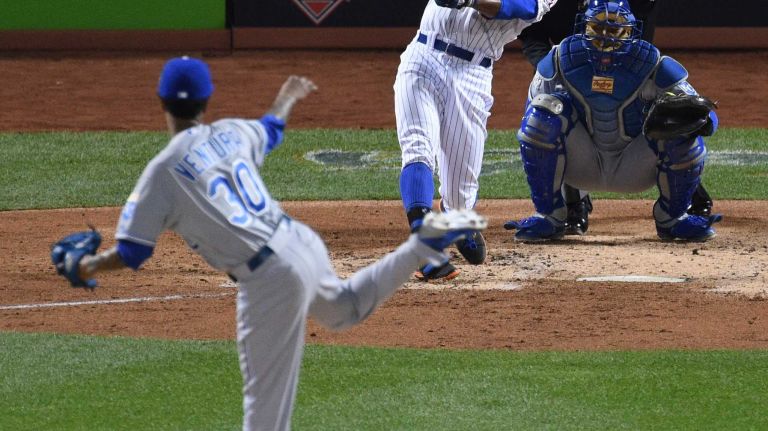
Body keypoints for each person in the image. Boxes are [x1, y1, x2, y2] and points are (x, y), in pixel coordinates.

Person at [49, 56, 487, 431]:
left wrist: (84, 268)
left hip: (269, 278)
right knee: (345, 309)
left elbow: (132, 252)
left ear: (161, 102)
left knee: (263, 419)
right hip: (301, 241)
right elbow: (272, 128)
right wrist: (288, 95)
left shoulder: (163, 170)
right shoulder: (230, 132)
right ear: (207, 101)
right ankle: (422, 244)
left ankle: (423, 243)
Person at [504, 0, 722, 242]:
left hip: (635, 165)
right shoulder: (559, 59)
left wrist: (703, 121)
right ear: (584, 28)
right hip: (582, 164)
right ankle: (551, 216)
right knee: (542, 114)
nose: (606, 38)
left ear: (630, 31)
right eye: (598, 30)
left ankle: (673, 219)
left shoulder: (652, 64)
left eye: (614, 30)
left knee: (681, 129)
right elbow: (532, 112)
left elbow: (702, 112)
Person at [395, 0, 559, 281]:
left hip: (472, 74)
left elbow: (521, 7)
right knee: (418, 148)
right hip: (423, 57)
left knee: (460, 197)